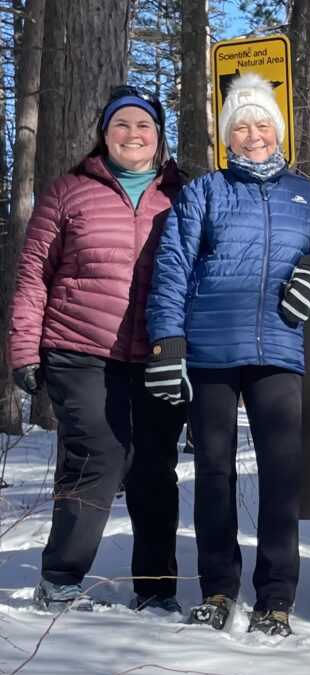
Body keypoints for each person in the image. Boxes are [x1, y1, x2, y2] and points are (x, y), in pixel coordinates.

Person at [146, 73, 310, 637]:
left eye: (262, 124)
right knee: (213, 471)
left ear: (279, 131)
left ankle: (276, 597)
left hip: (279, 348)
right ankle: (218, 588)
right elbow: (173, 267)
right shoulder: (204, 192)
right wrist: (167, 341)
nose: (253, 135)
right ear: (227, 136)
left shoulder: (306, 195)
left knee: (283, 473)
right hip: (209, 352)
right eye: (241, 126)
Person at [9, 87, 186, 614]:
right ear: (104, 135)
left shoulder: (182, 195)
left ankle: (156, 588)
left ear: (159, 136)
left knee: (154, 465)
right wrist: (24, 347)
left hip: (157, 351)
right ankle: (60, 579)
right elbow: (33, 275)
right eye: (121, 125)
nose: (133, 134)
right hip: (79, 347)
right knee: (100, 454)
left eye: (144, 125)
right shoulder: (69, 192)